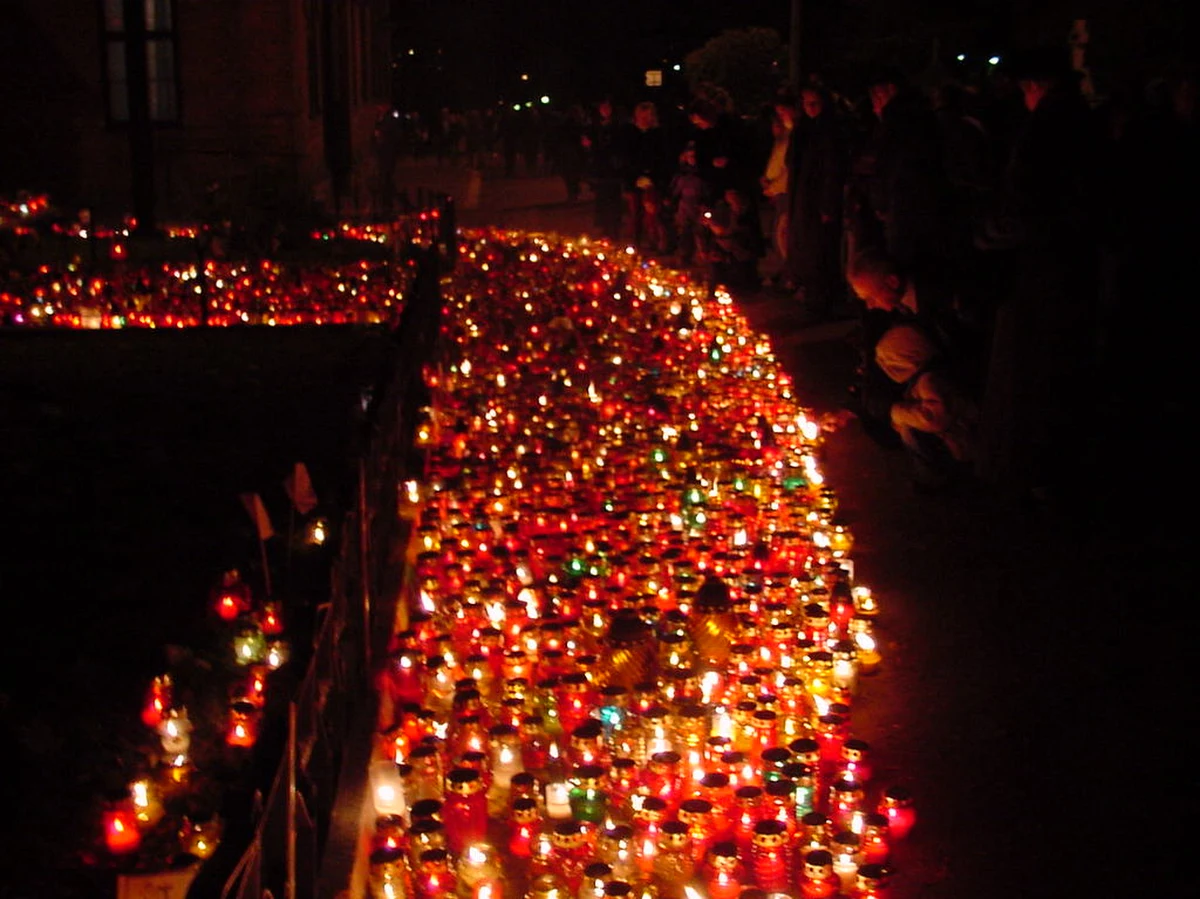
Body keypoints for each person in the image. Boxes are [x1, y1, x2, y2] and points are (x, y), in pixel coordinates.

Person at [874, 323, 978, 491]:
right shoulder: (924, 378)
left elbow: (934, 419)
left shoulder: (929, 381)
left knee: (911, 432)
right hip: (954, 434)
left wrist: (897, 414)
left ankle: (936, 478)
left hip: (961, 438)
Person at [787, 85, 849, 322]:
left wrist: (828, 205)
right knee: (806, 248)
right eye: (806, 103)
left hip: (818, 200)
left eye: (815, 104)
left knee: (820, 251)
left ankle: (823, 300)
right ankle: (812, 295)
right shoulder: (803, 129)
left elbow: (833, 170)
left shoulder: (830, 131)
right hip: (803, 197)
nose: (810, 108)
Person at [620, 101, 670, 252]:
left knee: (652, 213)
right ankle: (636, 241)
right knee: (635, 213)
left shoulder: (658, 134)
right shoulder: (630, 133)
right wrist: (635, 177)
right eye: (644, 115)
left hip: (652, 179)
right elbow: (627, 157)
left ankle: (654, 242)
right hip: (634, 179)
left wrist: (652, 177)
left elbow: (661, 157)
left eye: (649, 115)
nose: (646, 118)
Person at [583, 98, 625, 240]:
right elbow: (590, 144)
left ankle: (614, 227)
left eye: (608, 108)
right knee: (602, 198)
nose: (605, 111)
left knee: (614, 198)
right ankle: (605, 227)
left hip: (613, 167)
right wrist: (589, 146)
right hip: (600, 166)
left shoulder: (618, 125)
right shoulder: (594, 125)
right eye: (603, 108)